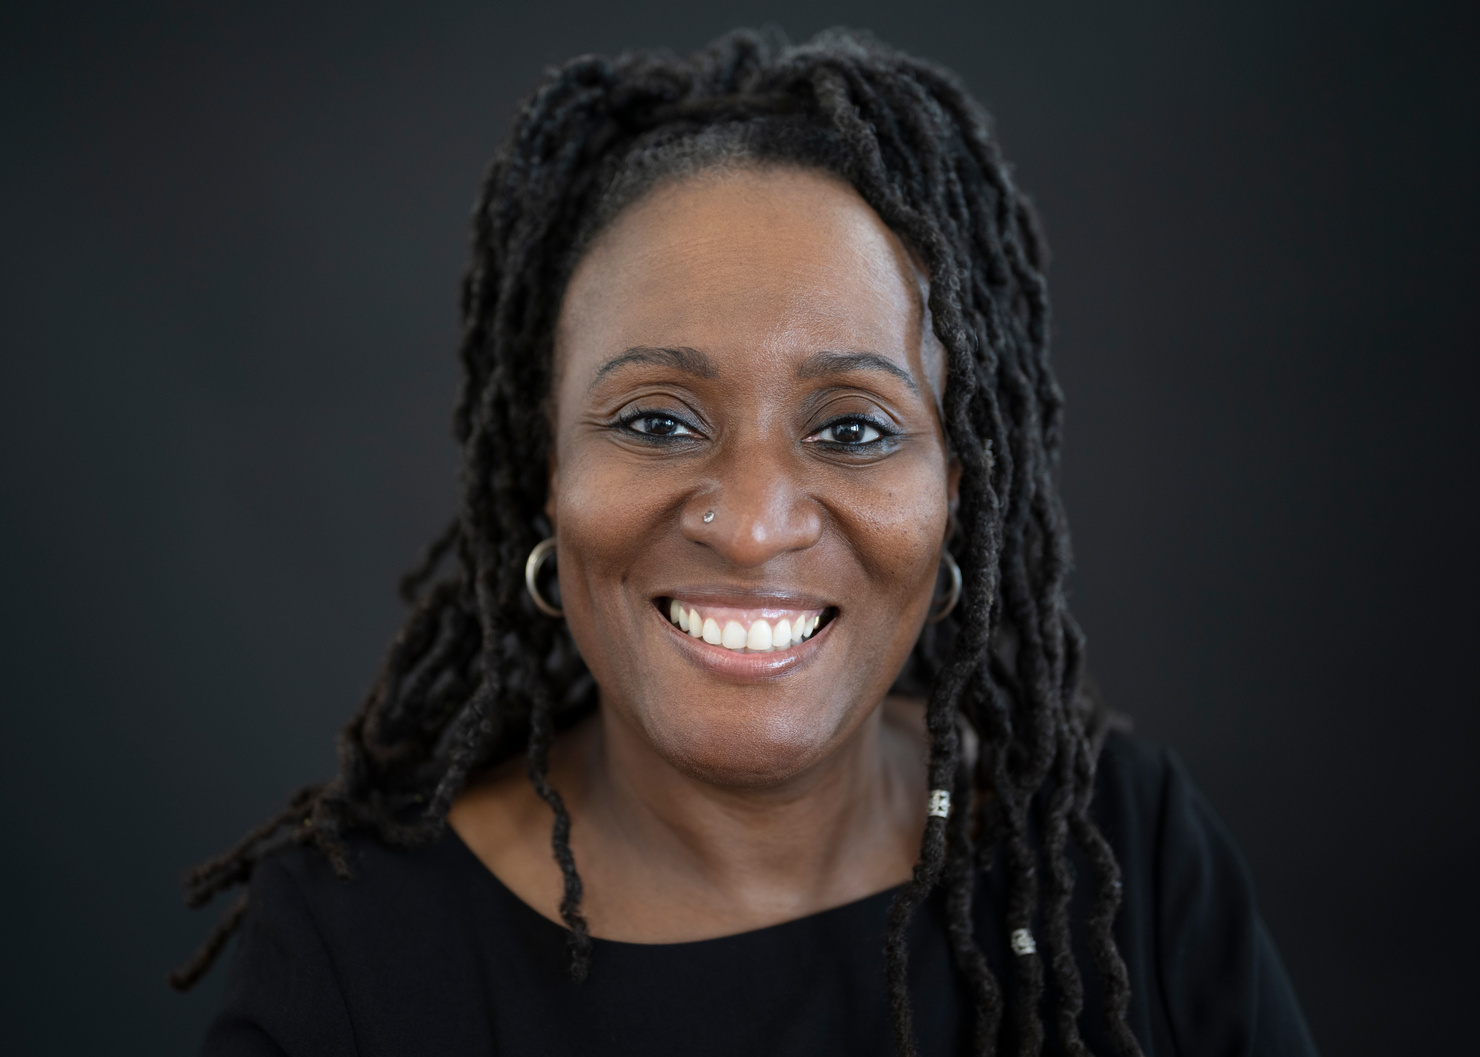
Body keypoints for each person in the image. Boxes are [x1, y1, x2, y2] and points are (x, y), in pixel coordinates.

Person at [174, 28, 1320, 1057]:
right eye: (658, 421)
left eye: (854, 429)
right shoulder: (354, 951)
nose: (755, 520)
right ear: (545, 476)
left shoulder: (1120, 850)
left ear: (954, 494)